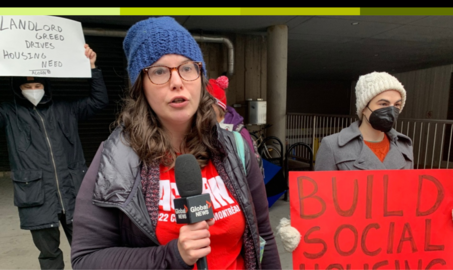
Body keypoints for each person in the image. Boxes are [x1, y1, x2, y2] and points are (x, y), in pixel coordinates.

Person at [70, 17, 281, 270]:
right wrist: (171, 257)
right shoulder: (115, 159)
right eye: (159, 71)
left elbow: (263, 235)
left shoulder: (235, 147)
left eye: (187, 68)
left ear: (201, 78)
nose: (177, 81)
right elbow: (86, 259)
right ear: (141, 87)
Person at [278, 71, 414, 252]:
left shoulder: (404, 146)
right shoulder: (333, 145)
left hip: (394, 243)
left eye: (396, 105)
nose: (391, 110)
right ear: (364, 107)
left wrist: (448, 215)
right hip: (349, 244)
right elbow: (319, 199)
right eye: (383, 104)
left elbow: (412, 198)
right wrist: (295, 226)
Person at [0, 44, 108, 270]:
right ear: (18, 88)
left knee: (88, 250)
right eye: (27, 85)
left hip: (72, 192)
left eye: (37, 84)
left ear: (45, 86)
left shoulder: (65, 108)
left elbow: (99, 102)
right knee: (49, 256)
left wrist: (92, 67)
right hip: (36, 196)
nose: (33, 89)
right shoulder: (9, 113)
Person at [207, 75, 264, 177]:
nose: (204, 108)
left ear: (219, 106)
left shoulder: (239, 132)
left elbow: (254, 172)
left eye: (209, 103)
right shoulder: (203, 129)